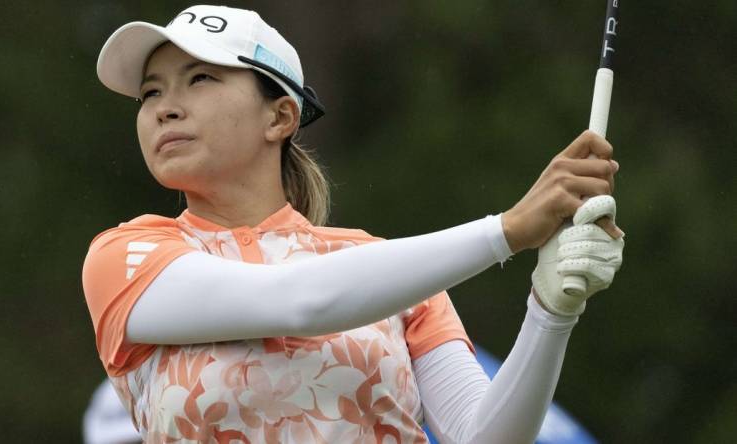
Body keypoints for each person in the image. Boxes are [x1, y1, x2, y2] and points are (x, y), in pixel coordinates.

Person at [82, 5, 625, 443]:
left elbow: (483, 436)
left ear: (280, 116)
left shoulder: (385, 271)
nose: (165, 108)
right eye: (152, 91)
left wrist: (551, 311)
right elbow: (300, 301)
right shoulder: (125, 256)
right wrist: (506, 230)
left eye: (199, 79)